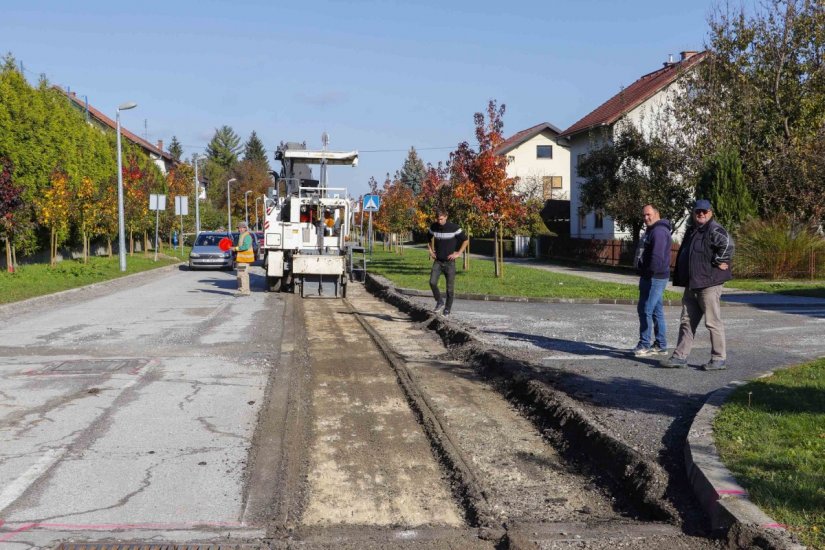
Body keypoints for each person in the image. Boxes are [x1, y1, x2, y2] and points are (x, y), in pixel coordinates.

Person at [660, 199, 734, 370]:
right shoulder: (693, 231)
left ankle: (718, 359)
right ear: (694, 213)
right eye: (698, 211)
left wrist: (718, 260)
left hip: (709, 283)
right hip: (692, 284)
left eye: (704, 211)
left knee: (712, 322)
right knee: (686, 321)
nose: (701, 214)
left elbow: (728, 245)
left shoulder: (715, 229)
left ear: (710, 213)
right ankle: (680, 357)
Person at [631, 204, 672, 357]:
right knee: (656, 310)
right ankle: (661, 345)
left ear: (656, 213)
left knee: (645, 309)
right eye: (644, 215)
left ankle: (644, 344)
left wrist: (648, 273)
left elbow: (657, 257)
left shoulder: (659, 231)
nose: (646, 218)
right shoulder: (652, 230)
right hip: (652, 276)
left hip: (654, 277)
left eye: (648, 214)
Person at [427, 210, 468, 317]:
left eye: (441, 219)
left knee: (449, 288)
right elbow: (427, 239)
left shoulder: (454, 228)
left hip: (450, 263)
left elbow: (465, 240)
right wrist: (431, 251)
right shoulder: (433, 227)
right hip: (438, 261)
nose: (439, 221)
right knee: (432, 282)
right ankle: (439, 301)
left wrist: (458, 253)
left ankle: (447, 309)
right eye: (437, 219)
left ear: (446, 217)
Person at [232, 221, 255, 296]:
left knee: (243, 275)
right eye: (239, 228)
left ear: (245, 228)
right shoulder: (242, 236)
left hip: (245, 260)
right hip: (241, 259)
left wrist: (235, 249)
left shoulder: (247, 236)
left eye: (241, 228)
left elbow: (245, 247)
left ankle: (245, 291)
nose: (240, 229)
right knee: (240, 275)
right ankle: (242, 290)